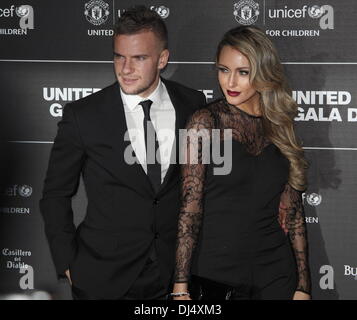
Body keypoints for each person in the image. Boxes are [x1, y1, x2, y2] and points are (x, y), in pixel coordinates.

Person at [39, 6, 206, 300]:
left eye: (139, 58)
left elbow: (202, 187)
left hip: (174, 277)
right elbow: (55, 194)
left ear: (162, 59)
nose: (125, 69)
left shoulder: (192, 104)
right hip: (102, 277)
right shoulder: (83, 115)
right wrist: (67, 262)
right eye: (119, 56)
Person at [171, 26, 311, 300]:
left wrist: (303, 286)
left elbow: (293, 211)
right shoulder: (204, 123)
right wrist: (179, 285)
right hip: (217, 276)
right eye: (224, 70)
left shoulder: (279, 124)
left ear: (263, 72)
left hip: (276, 274)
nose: (230, 82)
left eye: (243, 72)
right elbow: (190, 208)